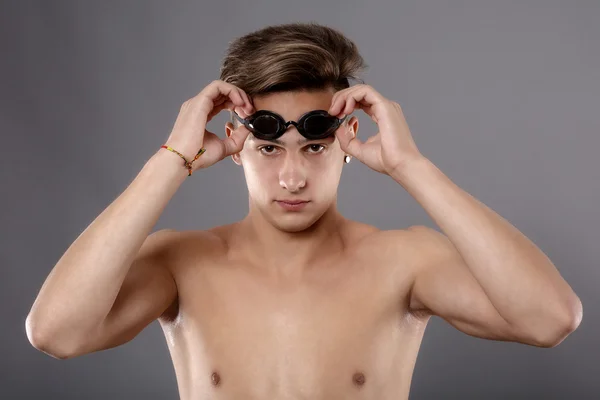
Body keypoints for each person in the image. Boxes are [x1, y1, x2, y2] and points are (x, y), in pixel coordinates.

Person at [25, 22, 582, 399]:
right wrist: (172, 159)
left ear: (348, 137)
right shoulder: (183, 264)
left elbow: (551, 318)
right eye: (269, 148)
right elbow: (55, 333)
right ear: (234, 141)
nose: (292, 177)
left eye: (314, 147)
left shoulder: (401, 262)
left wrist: (410, 165)